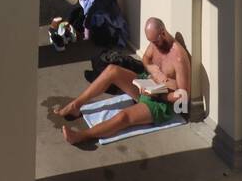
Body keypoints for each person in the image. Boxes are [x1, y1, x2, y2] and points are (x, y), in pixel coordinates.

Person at [57, 16, 191, 145]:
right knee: (112, 70)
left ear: (162, 33)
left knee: (124, 117)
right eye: (151, 42)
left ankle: (81, 136)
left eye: (155, 42)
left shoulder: (178, 58)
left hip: (162, 103)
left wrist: (159, 94)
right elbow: (145, 59)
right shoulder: (156, 42)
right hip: (148, 86)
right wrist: (153, 71)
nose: (153, 45)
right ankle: (76, 105)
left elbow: (183, 96)